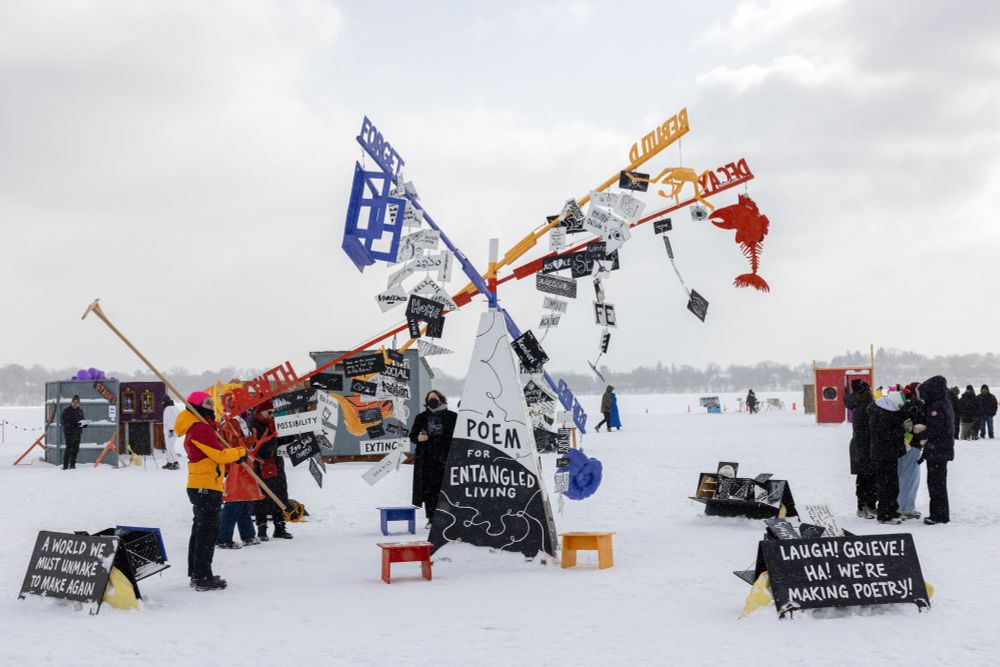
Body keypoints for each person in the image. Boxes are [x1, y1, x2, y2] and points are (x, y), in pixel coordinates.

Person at [174, 391, 246, 591]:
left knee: (200, 530)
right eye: (206, 403)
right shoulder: (200, 429)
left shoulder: (200, 427)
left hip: (203, 485)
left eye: (210, 402)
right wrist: (239, 453)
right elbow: (219, 455)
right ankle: (202, 577)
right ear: (196, 406)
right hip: (205, 487)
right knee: (206, 533)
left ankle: (197, 573)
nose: (210, 406)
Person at [410, 390, 457, 526]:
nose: (432, 401)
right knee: (429, 491)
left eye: (434, 398)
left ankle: (448, 517)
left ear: (441, 400)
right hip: (427, 460)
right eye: (429, 399)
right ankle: (431, 518)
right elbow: (412, 436)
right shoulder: (421, 417)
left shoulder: (452, 416)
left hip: (447, 458)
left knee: (447, 488)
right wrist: (418, 438)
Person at [248, 400, 293, 540]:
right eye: (269, 412)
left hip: (276, 463)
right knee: (262, 496)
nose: (271, 415)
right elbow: (263, 448)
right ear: (260, 412)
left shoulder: (273, 423)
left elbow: (278, 442)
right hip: (260, 465)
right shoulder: (252, 425)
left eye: (273, 412)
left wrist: (291, 436)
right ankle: (262, 528)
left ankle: (280, 526)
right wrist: (274, 440)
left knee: (279, 493)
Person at [917, 375, 954, 525]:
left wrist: (920, 432)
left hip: (937, 450)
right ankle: (940, 513)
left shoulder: (936, 406)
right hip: (941, 450)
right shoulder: (944, 402)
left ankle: (939, 515)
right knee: (938, 483)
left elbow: (935, 428)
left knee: (936, 484)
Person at [867, 390, 907, 524]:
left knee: (893, 485)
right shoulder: (880, 413)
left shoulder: (886, 409)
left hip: (889, 453)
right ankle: (884, 515)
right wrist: (903, 429)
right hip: (882, 454)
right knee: (885, 486)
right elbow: (885, 434)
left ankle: (892, 510)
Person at [844, 380, 876, 518]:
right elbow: (870, 428)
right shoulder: (867, 407)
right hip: (866, 446)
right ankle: (867, 505)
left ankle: (863, 505)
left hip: (859, 445)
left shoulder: (857, 405)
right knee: (869, 478)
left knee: (863, 478)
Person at [897, 382, 926, 520]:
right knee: (910, 477)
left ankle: (901, 505)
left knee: (901, 475)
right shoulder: (917, 404)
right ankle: (905, 507)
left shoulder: (901, 403)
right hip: (913, 445)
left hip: (899, 445)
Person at [59, 395, 87, 470]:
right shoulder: (66, 411)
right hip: (69, 433)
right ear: (71, 402)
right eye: (74, 402)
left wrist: (84, 424)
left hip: (78, 433)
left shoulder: (80, 411)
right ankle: (65, 466)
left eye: (77, 402)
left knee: (76, 449)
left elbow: (83, 420)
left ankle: (72, 465)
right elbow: (62, 421)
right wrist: (71, 425)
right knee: (68, 449)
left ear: (79, 403)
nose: (75, 404)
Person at [161, 396, 181, 470]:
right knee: (169, 446)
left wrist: (170, 430)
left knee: (170, 446)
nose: (162, 403)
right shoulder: (175, 408)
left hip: (170, 430)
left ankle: (175, 462)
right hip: (174, 429)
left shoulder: (167, 409)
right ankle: (170, 462)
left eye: (162, 402)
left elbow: (170, 420)